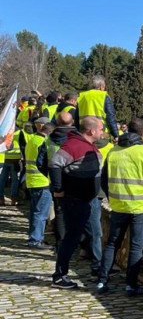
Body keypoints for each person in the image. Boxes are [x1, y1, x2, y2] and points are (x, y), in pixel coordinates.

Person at [97, 118, 143, 296]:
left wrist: (112, 197)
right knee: (136, 246)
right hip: (141, 206)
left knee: (112, 243)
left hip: (118, 205)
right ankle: (131, 285)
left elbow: (104, 180)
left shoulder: (113, 152)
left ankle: (102, 282)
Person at [50, 116, 104, 289]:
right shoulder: (73, 145)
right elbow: (54, 164)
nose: (103, 132)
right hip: (75, 200)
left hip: (90, 199)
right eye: (101, 129)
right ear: (91, 131)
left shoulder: (88, 145)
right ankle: (59, 275)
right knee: (72, 238)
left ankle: (97, 268)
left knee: (95, 233)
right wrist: (58, 188)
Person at [39, 112, 75, 251]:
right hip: (74, 180)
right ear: (72, 122)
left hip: (56, 181)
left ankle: (61, 244)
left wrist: (49, 175)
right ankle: (76, 243)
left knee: (59, 212)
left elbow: (40, 162)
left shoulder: (48, 139)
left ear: (57, 123)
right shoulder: (77, 138)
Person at [26, 118, 55, 249]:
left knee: (34, 212)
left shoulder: (32, 140)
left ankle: (34, 237)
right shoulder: (44, 142)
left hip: (31, 180)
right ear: (49, 133)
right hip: (42, 180)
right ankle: (35, 240)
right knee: (41, 213)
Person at [76, 75, 119, 141]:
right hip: (101, 133)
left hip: (84, 133)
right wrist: (116, 135)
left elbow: (76, 117)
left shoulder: (81, 96)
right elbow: (110, 117)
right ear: (101, 86)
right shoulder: (104, 96)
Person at [0, 126, 23, 206]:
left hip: (6, 158)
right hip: (15, 159)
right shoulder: (20, 133)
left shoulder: (6, 132)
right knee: (15, 180)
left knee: (2, 180)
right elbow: (23, 145)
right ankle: (14, 199)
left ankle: (1, 199)